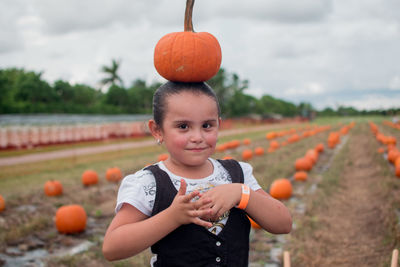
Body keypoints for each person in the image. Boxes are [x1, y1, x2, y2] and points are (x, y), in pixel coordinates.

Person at [102, 81, 292, 266]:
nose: (197, 137)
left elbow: (283, 224)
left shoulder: (237, 174)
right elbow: (112, 248)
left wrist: (242, 194)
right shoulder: (148, 183)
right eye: (183, 126)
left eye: (207, 126)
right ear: (157, 130)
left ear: (218, 125)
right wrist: (172, 217)